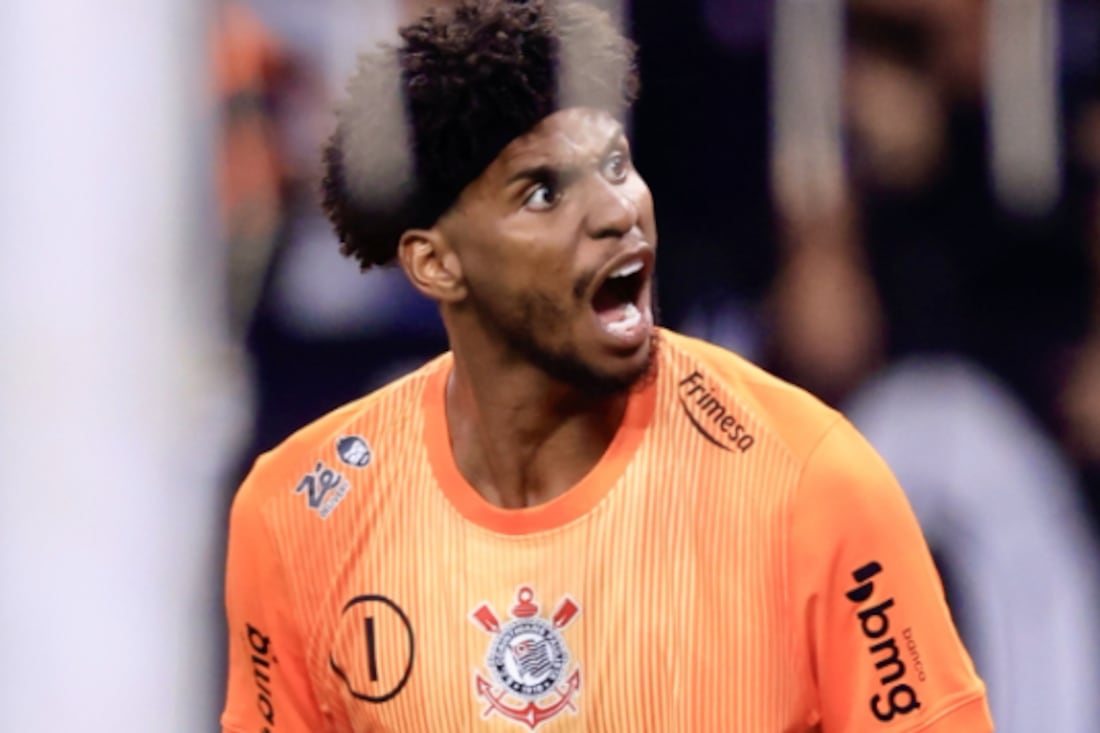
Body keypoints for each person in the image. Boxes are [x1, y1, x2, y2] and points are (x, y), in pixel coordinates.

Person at [220, 1, 993, 730]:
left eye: (616, 167)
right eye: (543, 193)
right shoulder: (301, 514)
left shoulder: (810, 477)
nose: (614, 215)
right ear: (436, 263)